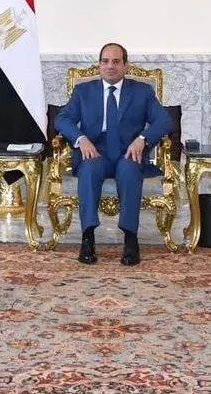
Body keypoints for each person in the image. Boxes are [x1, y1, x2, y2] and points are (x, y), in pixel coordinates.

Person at [55, 43, 173, 266]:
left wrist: (143, 139)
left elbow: (164, 120)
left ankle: (130, 239)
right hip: (95, 151)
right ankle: (87, 237)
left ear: (125, 66)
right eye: (105, 61)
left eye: (116, 61)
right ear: (99, 64)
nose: (110, 66)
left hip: (128, 152)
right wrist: (81, 139)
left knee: (129, 170)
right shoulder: (84, 91)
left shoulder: (142, 91)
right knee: (89, 169)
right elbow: (62, 119)